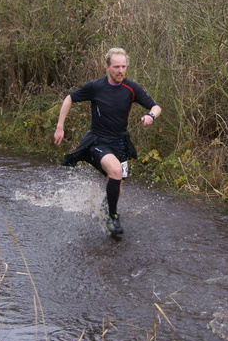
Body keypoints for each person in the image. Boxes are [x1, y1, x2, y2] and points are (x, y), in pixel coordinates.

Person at [54, 48, 161, 235]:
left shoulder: (131, 88)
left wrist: (150, 115)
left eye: (124, 66)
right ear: (107, 67)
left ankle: (105, 209)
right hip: (98, 141)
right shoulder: (96, 87)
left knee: (117, 188)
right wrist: (60, 126)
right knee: (116, 170)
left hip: (120, 144)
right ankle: (113, 218)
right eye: (116, 67)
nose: (121, 71)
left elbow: (156, 106)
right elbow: (69, 98)